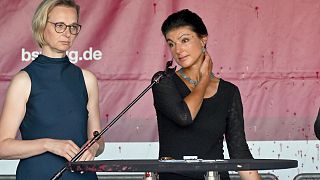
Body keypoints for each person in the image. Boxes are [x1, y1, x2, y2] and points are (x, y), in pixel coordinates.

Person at [0, 0, 104, 179]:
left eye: (73, 27)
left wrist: (94, 147)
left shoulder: (87, 79)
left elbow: (97, 139)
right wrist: (48, 144)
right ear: (41, 26)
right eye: (59, 25)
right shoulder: (23, 81)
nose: (67, 33)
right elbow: (2, 147)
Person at [152, 9, 260, 180]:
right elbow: (185, 116)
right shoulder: (164, 81)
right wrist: (203, 80)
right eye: (171, 43)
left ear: (203, 39)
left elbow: (239, 150)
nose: (178, 50)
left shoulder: (229, 92)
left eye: (185, 40)